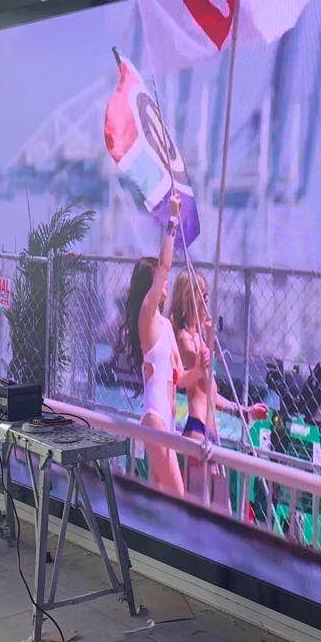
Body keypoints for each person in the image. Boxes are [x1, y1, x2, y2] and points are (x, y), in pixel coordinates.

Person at [117, 193, 207, 497]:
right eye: (159, 279)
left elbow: (180, 379)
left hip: (167, 422)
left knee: (160, 500)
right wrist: (172, 219)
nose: (165, 282)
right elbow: (166, 265)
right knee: (179, 498)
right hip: (155, 420)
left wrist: (201, 369)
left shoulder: (166, 326)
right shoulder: (148, 318)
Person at [171, 267, 266, 500]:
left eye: (207, 295)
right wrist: (210, 340)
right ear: (189, 299)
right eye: (202, 295)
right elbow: (200, 379)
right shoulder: (185, 339)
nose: (206, 301)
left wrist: (242, 411)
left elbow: (210, 395)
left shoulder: (198, 338)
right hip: (197, 431)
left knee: (217, 502)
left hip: (209, 433)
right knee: (202, 504)